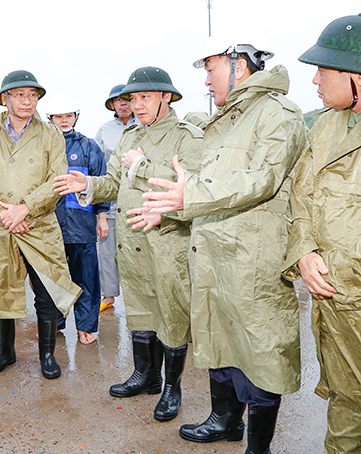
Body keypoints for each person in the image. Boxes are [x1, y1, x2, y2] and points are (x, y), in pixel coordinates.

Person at [134, 38, 307, 453]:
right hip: (213, 254)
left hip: (252, 257)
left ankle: (257, 446)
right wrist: (173, 208)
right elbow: (207, 186)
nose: (206, 81)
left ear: (238, 65)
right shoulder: (227, 118)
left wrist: (186, 197)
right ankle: (226, 420)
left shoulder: (277, 114)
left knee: (259, 350)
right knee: (218, 338)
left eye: (210, 69)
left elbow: (261, 179)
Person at [53, 67, 203, 421]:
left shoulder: (188, 137)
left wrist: (141, 164)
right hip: (133, 242)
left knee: (171, 312)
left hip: (168, 240)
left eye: (145, 97)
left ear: (167, 97)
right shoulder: (129, 135)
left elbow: (188, 189)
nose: (136, 105)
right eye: (132, 98)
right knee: (140, 308)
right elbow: (114, 182)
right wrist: (86, 184)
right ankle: (145, 375)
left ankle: (171, 387)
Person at [0, 70, 81, 379]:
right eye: (19, 94)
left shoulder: (50, 134)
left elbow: (58, 179)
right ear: (5, 99)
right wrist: (2, 211)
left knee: (46, 291)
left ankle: (47, 355)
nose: (27, 101)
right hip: (1, 224)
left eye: (33, 95)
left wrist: (25, 209)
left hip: (38, 225)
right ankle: (4, 352)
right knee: (2, 290)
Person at [283, 14, 361, 453]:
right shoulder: (327, 124)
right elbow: (301, 196)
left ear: (355, 74)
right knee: (346, 403)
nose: (314, 80)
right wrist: (306, 251)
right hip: (333, 303)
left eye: (324, 70)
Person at [45, 91, 109, 345]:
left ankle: (86, 326)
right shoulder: (44, 148)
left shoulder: (88, 147)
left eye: (68, 115)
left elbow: (101, 185)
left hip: (82, 225)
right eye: (58, 116)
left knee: (86, 279)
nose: (64, 120)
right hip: (50, 225)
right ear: (50, 119)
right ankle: (54, 323)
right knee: (52, 278)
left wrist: (102, 217)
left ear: (76, 117)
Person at [93, 85, 138, 312]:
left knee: (137, 250)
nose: (122, 104)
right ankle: (108, 295)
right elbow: (97, 167)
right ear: (112, 105)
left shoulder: (145, 127)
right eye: (117, 101)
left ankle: (138, 297)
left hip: (139, 201)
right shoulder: (104, 131)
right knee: (108, 251)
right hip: (111, 203)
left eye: (126, 100)